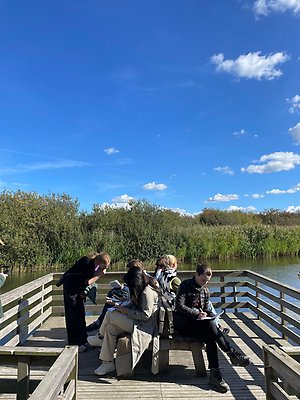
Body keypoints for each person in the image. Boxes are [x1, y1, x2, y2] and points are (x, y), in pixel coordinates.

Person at [173, 262, 251, 393]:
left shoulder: (205, 290)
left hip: (199, 325)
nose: (205, 283)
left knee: (210, 335)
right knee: (210, 328)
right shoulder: (185, 285)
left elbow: (205, 309)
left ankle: (216, 376)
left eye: (207, 281)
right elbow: (179, 306)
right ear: (196, 274)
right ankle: (231, 353)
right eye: (203, 280)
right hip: (184, 324)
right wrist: (197, 313)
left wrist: (209, 315)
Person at [93, 264, 160, 376]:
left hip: (144, 327)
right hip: (138, 323)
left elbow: (146, 315)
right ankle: (107, 362)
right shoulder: (142, 288)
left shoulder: (147, 292)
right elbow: (137, 306)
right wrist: (123, 305)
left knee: (110, 315)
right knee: (110, 328)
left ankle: (100, 337)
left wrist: (126, 311)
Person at [60, 252, 110, 352]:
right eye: (105, 266)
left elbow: (87, 279)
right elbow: (87, 281)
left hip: (78, 288)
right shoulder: (86, 263)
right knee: (72, 316)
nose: (105, 269)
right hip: (71, 288)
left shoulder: (94, 263)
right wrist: (99, 276)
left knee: (80, 314)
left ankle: (84, 340)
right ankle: (74, 343)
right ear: (100, 262)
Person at [86, 259, 144, 338]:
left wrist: (120, 305)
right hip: (132, 315)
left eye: (129, 272)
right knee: (112, 296)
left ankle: (99, 335)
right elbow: (132, 303)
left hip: (138, 323)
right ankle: (100, 335)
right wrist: (121, 301)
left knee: (110, 313)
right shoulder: (138, 284)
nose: (127, 274)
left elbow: (143, 312)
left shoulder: (142, 287)